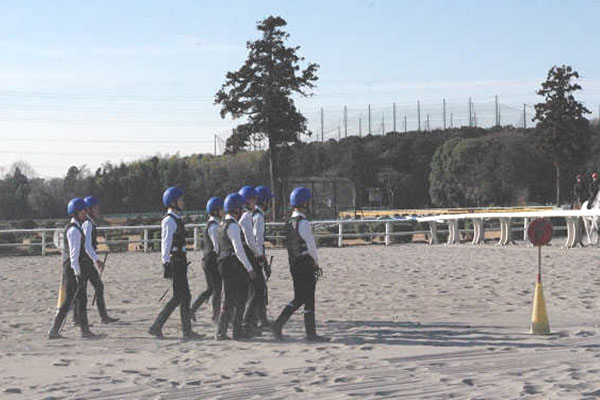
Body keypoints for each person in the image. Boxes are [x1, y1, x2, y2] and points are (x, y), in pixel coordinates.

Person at [272, 187, 329, 342]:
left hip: (294, 263)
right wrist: (316, 262)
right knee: (308, 298)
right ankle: (309, 333)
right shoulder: (303, 223)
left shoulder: (289, 223)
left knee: (299, 298)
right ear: (304, 203)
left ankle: (279, 324)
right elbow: (311, 246)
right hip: (305, 263)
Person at [149, 187, 202, 341]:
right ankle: (158, 326)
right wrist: (166, 263)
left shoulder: (177, 218)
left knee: (183, 297)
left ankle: (185, 330)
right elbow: (165, 243)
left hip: (181, 260)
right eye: (180, 200)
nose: (183, 202)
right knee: (180, 297)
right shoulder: (169, 220)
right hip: (175, 262)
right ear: (173, 202)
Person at [47, 198, 99, 339]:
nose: (85, 213)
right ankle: (80, 331)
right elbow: (73, 255)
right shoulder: (74, 231)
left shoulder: (76, 227)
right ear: (75, 213)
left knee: (77, 299)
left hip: (73, 267)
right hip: (72, 268)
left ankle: (79, 331)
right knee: (75, 299)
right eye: (83, 211)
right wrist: (77, 273)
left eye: (85, 210)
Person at [216, 193, 256, 340]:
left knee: (228, 298)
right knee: (241, 298)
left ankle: (221, 331)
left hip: (223, 262)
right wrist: (249, 268)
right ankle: (237, 331)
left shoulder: (222, 224)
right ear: (235, 209)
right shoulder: (233, 226)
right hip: (232, 264)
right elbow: (239, 250)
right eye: (240, 208)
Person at [73, 196, 119, 325]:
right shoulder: (88, 224)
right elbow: (87, 245)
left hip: (86, 261)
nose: (98, 210)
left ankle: (100, 317)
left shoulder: (89, 223)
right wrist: (97, 260)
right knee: (85, 290)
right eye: (95, 208)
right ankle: (82, 318)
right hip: (85, 262)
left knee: (96, 287)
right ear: (89, 209)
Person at [238, 185, 267, 336]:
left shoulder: (247, 216)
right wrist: (260, 255)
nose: (255, 201)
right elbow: (251, 240)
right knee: (258, 289)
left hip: (249, 255)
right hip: (250, 256)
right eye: (252, 199)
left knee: (255, 289)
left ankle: (252, 321)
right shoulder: (246, 217)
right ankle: (247, 321)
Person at [190, 197, 224, 322]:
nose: (224, 211)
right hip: (212, 261)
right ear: (215, 211)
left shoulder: (213, 224)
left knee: (210, 289)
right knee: (217, 289)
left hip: (208, 260)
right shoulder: (214, 226)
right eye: (221, 209)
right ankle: (216, 316)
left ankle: (192, 310)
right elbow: (217, 246)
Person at [252, 185, 273, 328]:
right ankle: (258, 319)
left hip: (253, 254)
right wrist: (263, 260)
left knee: (258, 288)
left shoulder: (253, 214)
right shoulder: (258, 216)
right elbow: (258, 240)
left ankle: (261, 318)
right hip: (256, 255)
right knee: (259, 289)